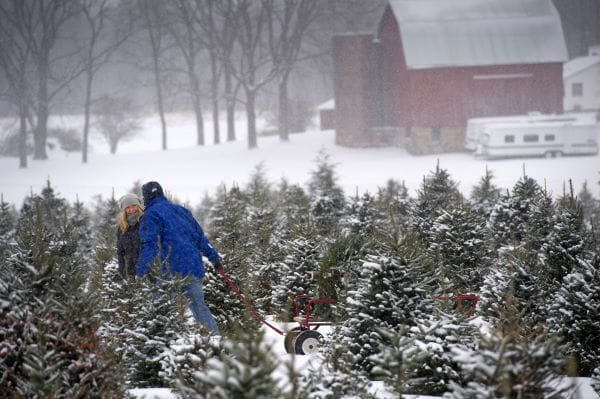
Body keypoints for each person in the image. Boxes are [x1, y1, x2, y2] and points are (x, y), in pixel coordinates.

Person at [136, 181, 222, 334]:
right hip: (192, 267)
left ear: (146, 197)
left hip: (168, 272)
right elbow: (201, 238)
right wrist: (214, 259)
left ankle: (163, 349)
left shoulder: (151, 215)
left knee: (161, 312)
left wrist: (141, 271)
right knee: (200, 309)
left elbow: (150, 244)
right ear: (161, 193)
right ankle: (216, 343)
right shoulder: (182, 211)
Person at [117, 193, 143, 279]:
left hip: (148, 269)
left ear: (138, 206)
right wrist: (121, 271)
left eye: (134, 205)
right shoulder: (122, 228)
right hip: (131, 272)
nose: (131, 209)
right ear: (124, 210)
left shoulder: (145, 221)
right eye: (127, 207)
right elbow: (120, 252)